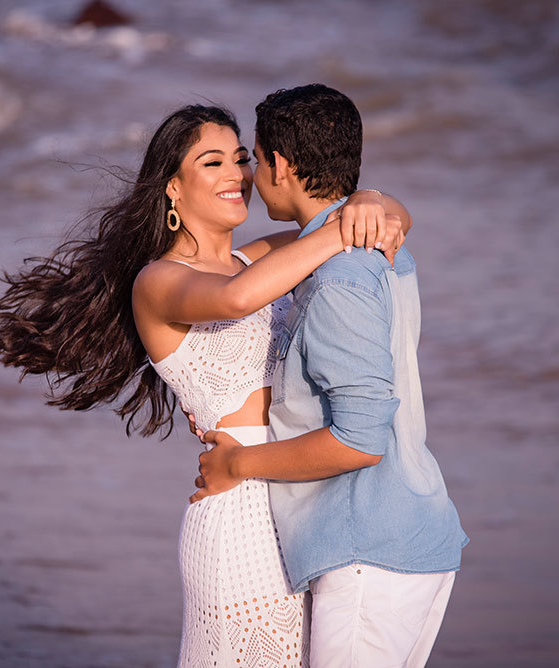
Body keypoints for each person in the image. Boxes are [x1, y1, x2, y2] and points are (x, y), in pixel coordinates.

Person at [0, 104, 410, 667]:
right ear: (172, 189)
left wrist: (370, 199)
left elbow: (387, 219)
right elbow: (238, 298)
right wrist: (345, 226)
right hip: (239, 512)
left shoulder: (260, 258)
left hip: (305, 505)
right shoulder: (158, 280)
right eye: (213, 162)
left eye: (241, 158)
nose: (237, 174)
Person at [192, 85, 469, 667]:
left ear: (281, 166)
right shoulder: (381, 247)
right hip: (403, 539)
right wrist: (370, 198)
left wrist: (237, 464)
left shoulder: (338, 278)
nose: (249, 175)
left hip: (369, 549)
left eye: (253, 159)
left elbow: (360, 440)